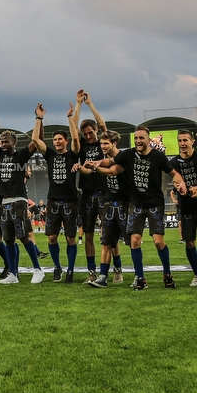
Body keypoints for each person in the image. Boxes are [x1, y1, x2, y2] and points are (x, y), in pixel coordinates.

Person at [92, 126, 186, 290]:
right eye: (136, 138)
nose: (138, 141)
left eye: (141, 138)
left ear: (148, 140)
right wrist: (98, 163)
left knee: (158, 241)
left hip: (155, 204)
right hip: (136, 204)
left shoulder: (158, 156)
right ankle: (140, 278)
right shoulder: (128, 154)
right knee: (135, 241)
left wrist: (181, 183)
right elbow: (112, 164)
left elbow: (173, 173)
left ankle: (167, 274)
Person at [0, 115, 42, 285]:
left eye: (6, 142)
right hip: (4, 203)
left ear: (13, 143)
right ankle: (13, 274)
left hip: (18, 201)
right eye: (2, 142)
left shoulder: (21, 155)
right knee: (9, 239)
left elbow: (37, 140)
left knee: (24, 236)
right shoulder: (0, 157)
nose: (3, 144)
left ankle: (38, 270)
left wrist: (39, 118)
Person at [30, 102, 81, 283]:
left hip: (70, 201)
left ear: (65, 141)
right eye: (55, 139)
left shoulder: (72, 154)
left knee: (70, 238)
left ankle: (71, 269)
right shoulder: (50, 155)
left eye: (60, 139)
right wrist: (39, 118)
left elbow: (76, 139)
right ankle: (57, 267)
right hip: (53, 201)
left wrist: (70, 117)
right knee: (52, 237)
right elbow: (35, 140)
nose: (57, 142)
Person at [81, 131, 130, 288]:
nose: (103, 146)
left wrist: (95, 166)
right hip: (108, 202)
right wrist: (84, 167)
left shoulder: (123, 157)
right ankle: (103, 276)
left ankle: (136, 275)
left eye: (106, 143)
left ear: (114, 143)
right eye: (101, 143)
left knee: (132, 241)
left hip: (125, 203)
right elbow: (92, 170)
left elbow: (111, 170)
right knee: (106, 241)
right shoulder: (102, 160)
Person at [170, 130, 197, 290]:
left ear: (192, 141)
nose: (182, 143)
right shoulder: (174, 161)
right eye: (180, 140)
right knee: (189, 242)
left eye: (185, 140)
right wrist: (180, 187)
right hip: (186, 206)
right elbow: (176, 179)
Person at [73, 89, 108, 282]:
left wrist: (89, 104)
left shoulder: (103, 141)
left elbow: (103, 125)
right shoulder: (82, 146)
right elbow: (74, 129)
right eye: (85, 133)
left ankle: (116, 269)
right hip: (86, 193)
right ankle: (91, 272)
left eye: (91, 132)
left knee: (108, 233)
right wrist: (77, 104)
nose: (88, 136)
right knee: (88, 235)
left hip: (104, 191)